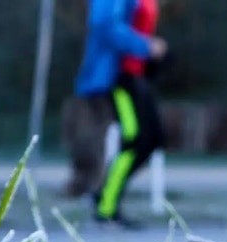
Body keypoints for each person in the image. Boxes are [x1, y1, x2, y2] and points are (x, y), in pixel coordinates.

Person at [72, 0, 168, 229]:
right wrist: (145, 46)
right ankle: (106, 207)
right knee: (135, 139)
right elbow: (104, 25)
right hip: (117, 78)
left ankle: (104, 195)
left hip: (134, 75)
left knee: (153, 139)